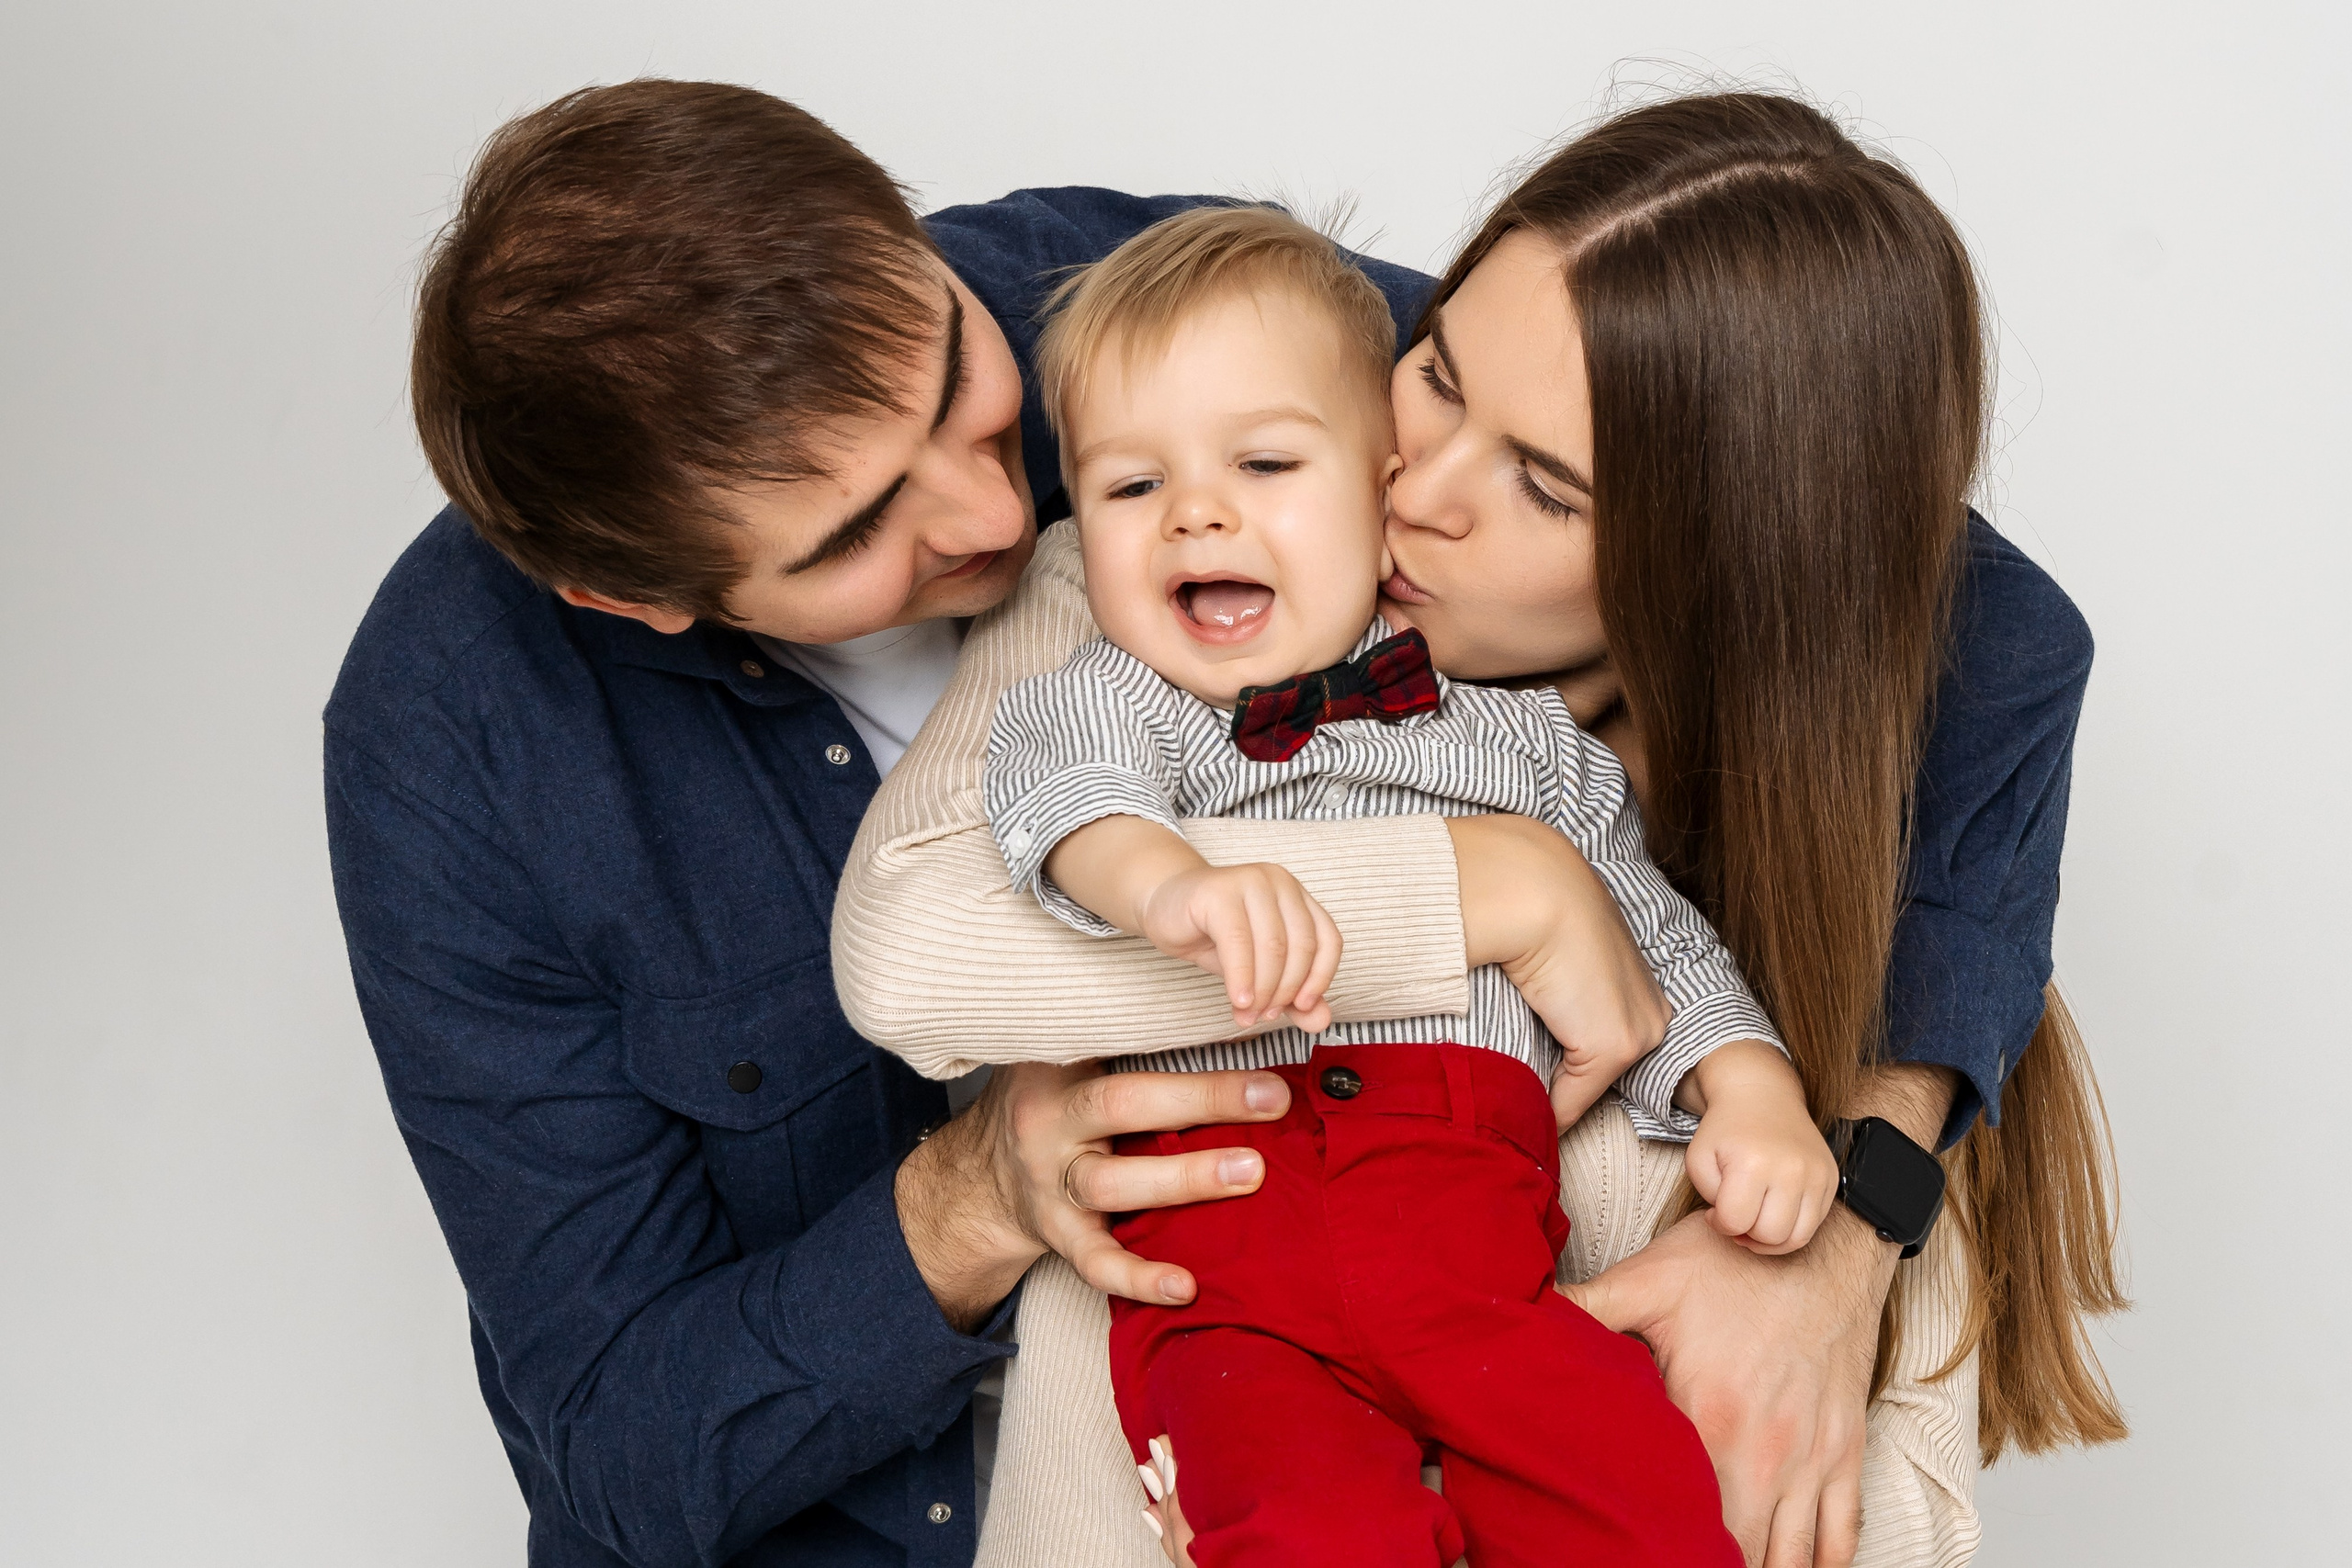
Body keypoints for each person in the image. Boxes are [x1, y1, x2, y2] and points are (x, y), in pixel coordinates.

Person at [327, 78, 1644, 1567]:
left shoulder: (1115, 301)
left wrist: (1863, 1205)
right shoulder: (453, 739)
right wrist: (969, 1204)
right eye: (851, 536)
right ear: (633, 599)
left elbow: (1877, 552)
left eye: (956, 382)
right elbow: (623, 1455)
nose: (991, 516)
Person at [831, 93, 2126, 1567]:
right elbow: (919, 949)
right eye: (1435, 375)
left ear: (1724, 574)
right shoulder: (1145, 603)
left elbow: (2016, 634)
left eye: (1546, 487)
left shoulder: (1835, 1030)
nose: (1413, 492)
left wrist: (1821, 1234)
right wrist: (1489, 890)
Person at [964, 203, 1835, 1564]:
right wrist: (1168, 891)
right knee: (1310, 1529)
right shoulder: (1110, 695)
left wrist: (1755, 1088)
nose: (1195, 511)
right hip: (1225, 1259)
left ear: (1379, 488)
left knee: (1642, 1506)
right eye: (1130, 488)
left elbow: (1651, 938)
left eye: (1261, 464)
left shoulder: (1525, 744)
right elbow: (1066, 806)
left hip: (1473, 1261)